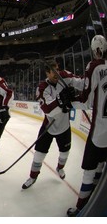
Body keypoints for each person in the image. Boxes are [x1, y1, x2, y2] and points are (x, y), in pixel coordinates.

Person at [21, 60, 83, 189]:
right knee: (39, 154)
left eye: (57, 70)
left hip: (64, 126)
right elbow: (48, 110)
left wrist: (79, 94)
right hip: (48, 126)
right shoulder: (42, 88)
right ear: (47, 73)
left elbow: (82, 83)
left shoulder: (64, 76)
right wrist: (62, 101)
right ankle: (33, 177)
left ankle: (60, 168)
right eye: (53, 71)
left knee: (65, 153)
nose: (56, 73)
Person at [67, 34, 107, 216]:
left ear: (95, 50)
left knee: (89, 169)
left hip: (99, 130)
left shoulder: (94, 66)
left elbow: (86, 100)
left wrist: (69, 101)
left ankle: (82, 206)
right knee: (100, 164)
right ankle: (97, 194)